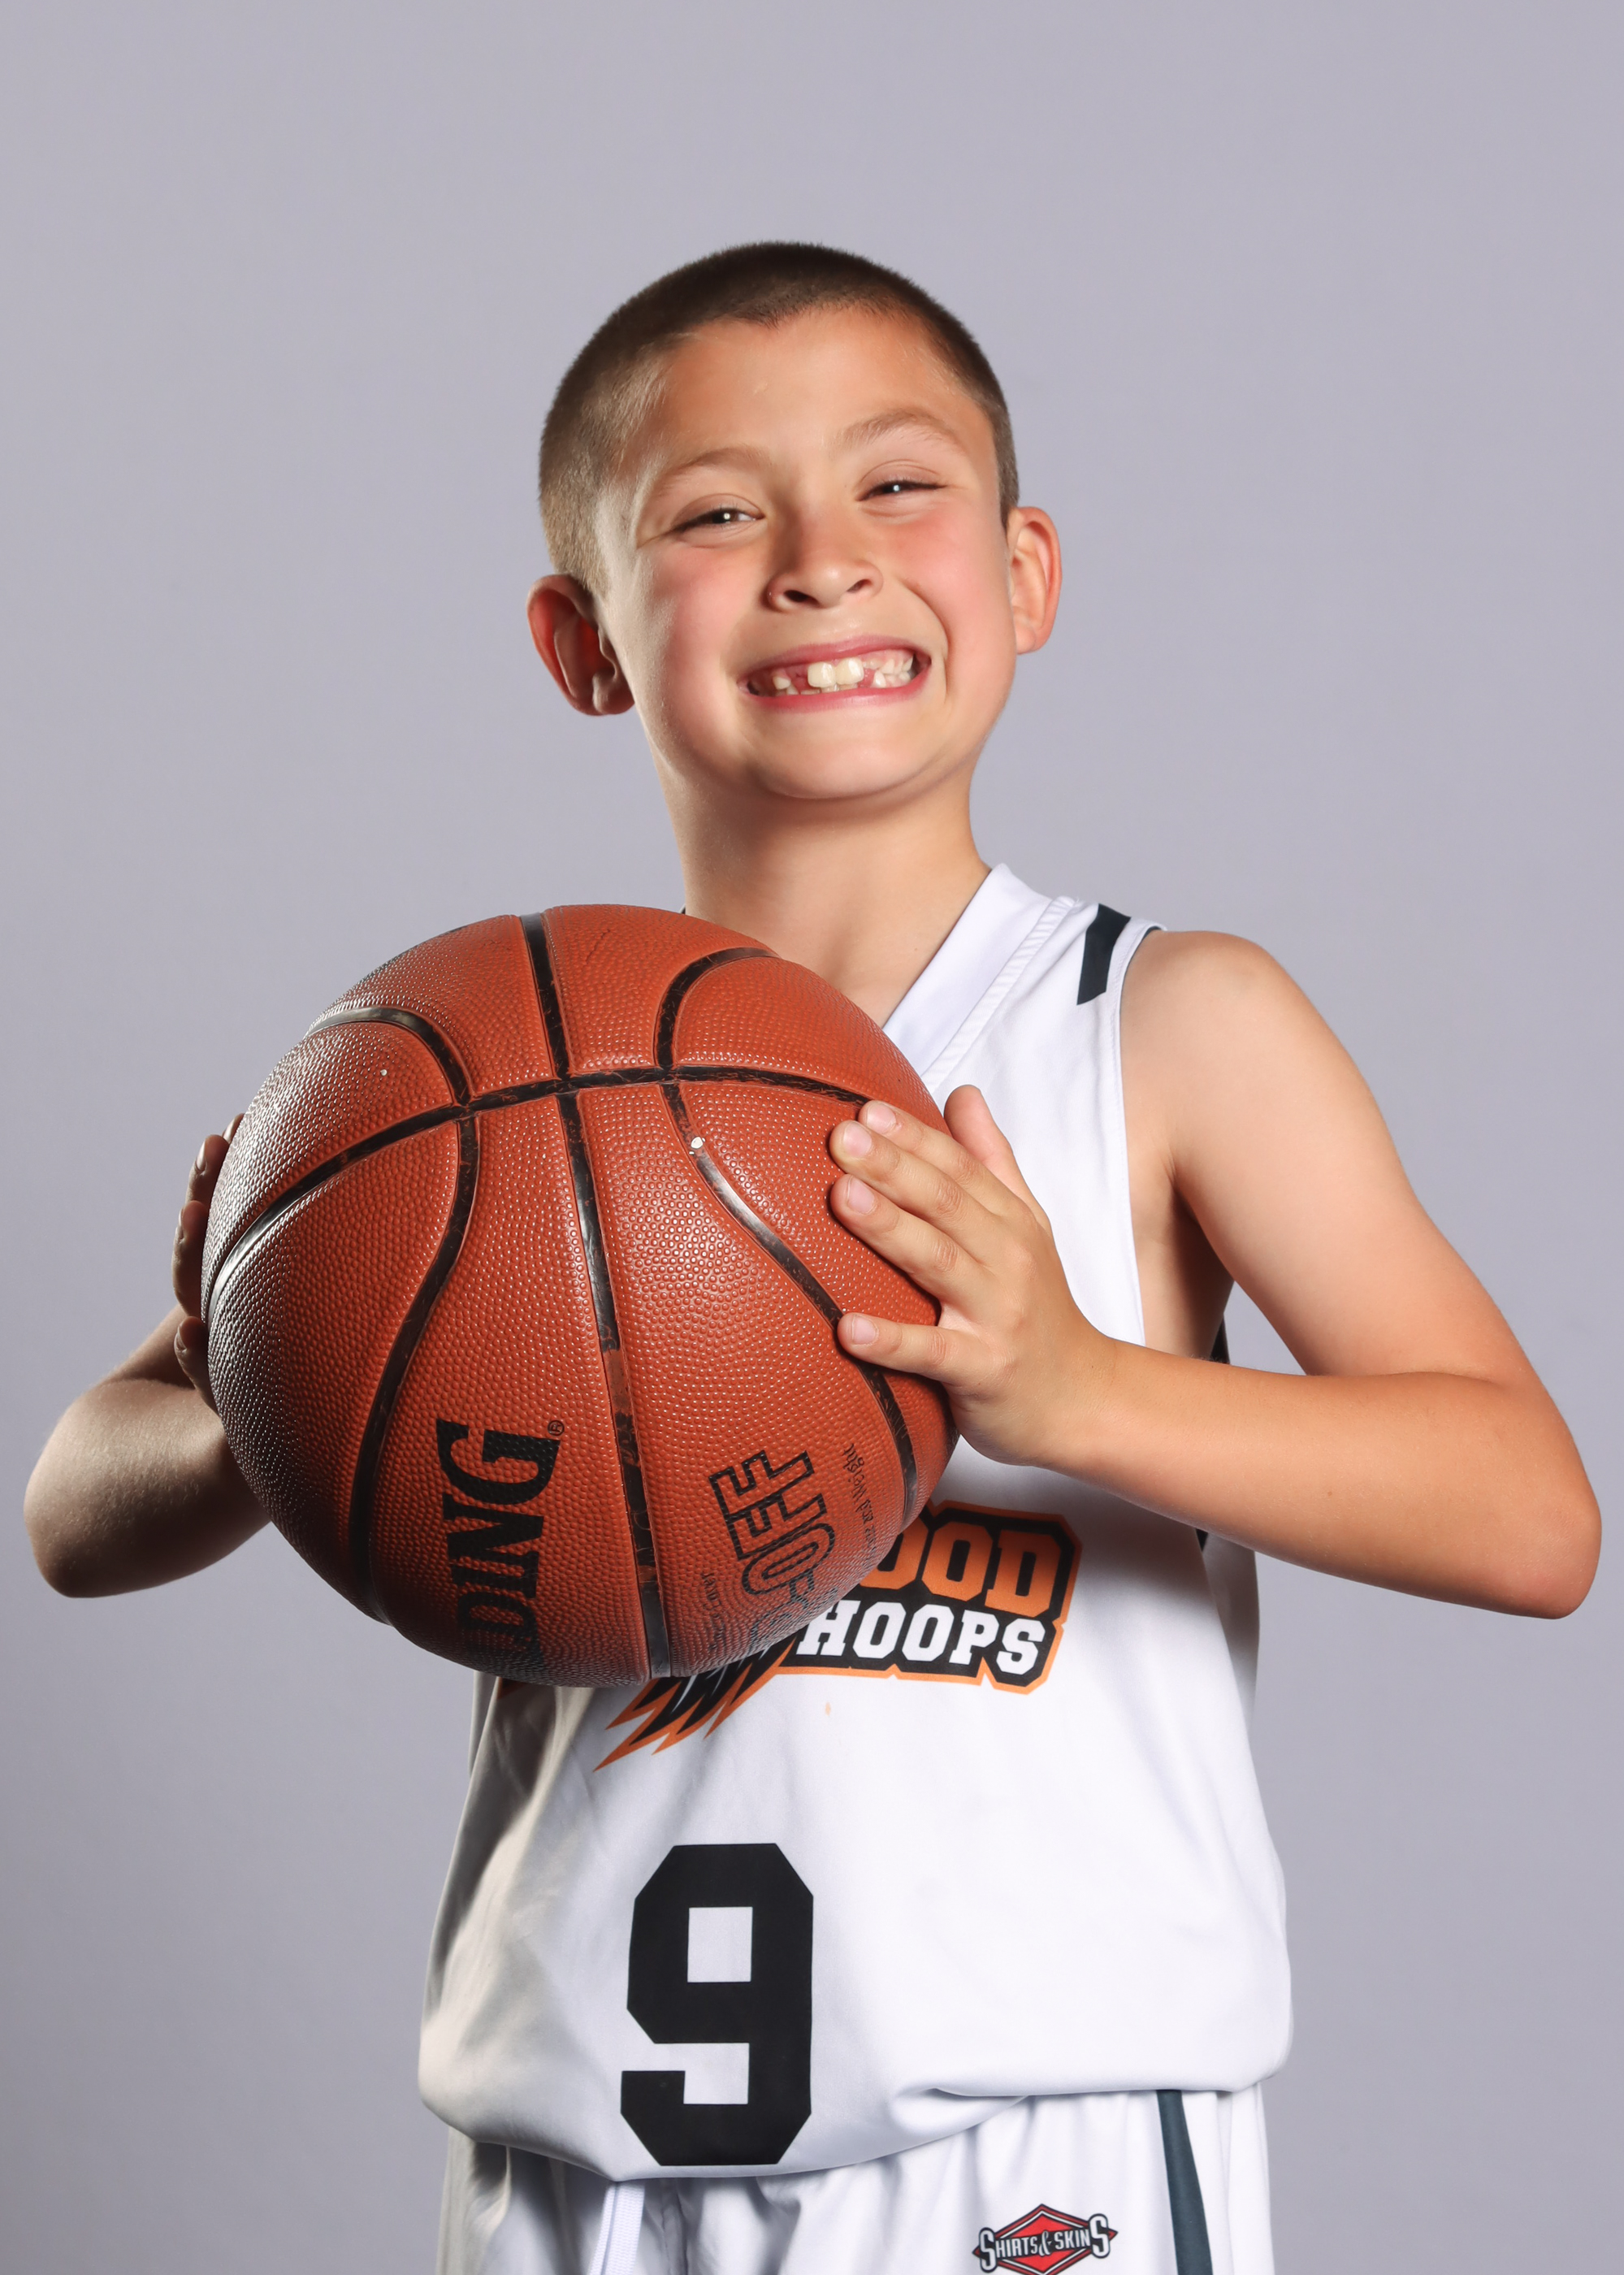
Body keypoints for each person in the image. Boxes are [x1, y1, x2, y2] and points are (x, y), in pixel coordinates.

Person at [25, 244, 1599, 2275]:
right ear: (584, 639)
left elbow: (1526, 1513)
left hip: (1023, 2154)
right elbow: (71, 1512)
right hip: (573, 2155)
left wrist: (1078, 1387)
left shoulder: (1162, 1023)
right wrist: (279, 1375)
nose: (820, 560)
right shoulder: (477, 1084)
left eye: (896, 483)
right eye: (712, 512)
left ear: (1023, 574)